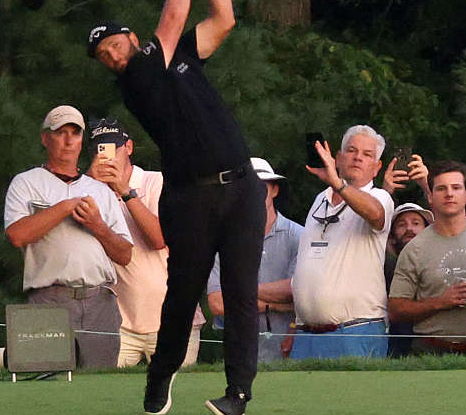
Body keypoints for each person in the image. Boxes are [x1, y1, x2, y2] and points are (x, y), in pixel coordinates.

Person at [86, 0, 264, 415]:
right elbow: (172, 18)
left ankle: (238, 393)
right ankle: (160, 378)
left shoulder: (179, 55)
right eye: (103, 55)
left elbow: (223, 19)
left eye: (115, 45)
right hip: (190, 197)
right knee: (183, 292)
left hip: (242, 186)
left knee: (242, 292)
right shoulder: (137, 79)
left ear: (130, 37)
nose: (112, 56)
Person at [3, 106, 133, 369]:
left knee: (100, 387)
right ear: (45, 138)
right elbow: (17, 235)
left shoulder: (101, 190)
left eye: (75, 133)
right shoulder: (26, 182)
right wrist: (64, 208)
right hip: (49, 298)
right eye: (60, 132)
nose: (68, 140)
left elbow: (125, 254)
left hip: (99, 302)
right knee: (46, 383)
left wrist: (98, 225)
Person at [85, 117, 203, 368]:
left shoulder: (157, 181)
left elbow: (160, 238)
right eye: (99, 149)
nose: (107, 157)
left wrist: (126, 191)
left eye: (112, 148)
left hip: (172, 317)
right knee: (107, 394)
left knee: (176, 393)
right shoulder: (90, 188)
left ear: (128, 147)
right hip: (119, 322)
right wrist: (89, 182)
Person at [289, 125, 396, 360]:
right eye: (351, 150)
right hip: (306, 334)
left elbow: (375, 214)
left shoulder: (381, 197)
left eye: (367, 154)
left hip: (355, 331)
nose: (358, 157)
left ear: (377, 167)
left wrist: (338, 183)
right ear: (337, 158)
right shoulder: (320, 199)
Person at [388, 161, 466, 354]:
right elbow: (396, 309)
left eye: (456, 187)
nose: (449, 194)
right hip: (430, 350)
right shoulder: (414, 248)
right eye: (441, 188)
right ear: (430, 196)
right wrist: (440, 302)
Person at [205, 158, 304, 365]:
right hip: (237, 352)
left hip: (287, 350)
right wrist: (277, 305)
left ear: (274, 190)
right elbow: (217, 303)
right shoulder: (223, 240)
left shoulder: (300, 236)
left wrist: (238, 290)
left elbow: (295, 291)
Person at [385, 199, 433, 355]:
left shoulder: (440, 264)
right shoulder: (384, 267)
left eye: (416, 223)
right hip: (395, 346)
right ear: (392, 237)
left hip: (433, 343)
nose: (409, 229)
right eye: (402, 225)